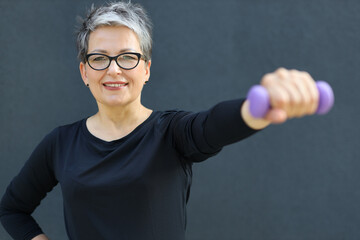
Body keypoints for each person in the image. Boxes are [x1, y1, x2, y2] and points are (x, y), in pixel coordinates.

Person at [0, 1, 319, 240]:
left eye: (127, 57)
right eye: (99, 58)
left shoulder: (171, 133)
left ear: (146, 68)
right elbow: (12, 209)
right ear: (85, 72)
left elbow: (212, 126)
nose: (113, 70)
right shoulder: (61, 143)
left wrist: (257, 107)